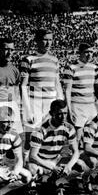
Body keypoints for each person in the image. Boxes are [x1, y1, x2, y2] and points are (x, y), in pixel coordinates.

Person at [20, 29, 64, 163]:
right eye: (45, 39)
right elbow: (23, 86)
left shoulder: (55, 60)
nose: (48, 43)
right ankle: (27, 169)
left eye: (50, 39)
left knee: (50, 136)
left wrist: (62, 104)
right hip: (35, 102)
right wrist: (27, 110)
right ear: (37, 41)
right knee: (30, 138)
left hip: (51, 103)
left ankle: (46, 168)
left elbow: (57, 84)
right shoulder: (28, 60)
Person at [28, 99, 80, 195]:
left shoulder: (69, 128)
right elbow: (33, 156)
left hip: (55, 160)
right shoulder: (41, 130)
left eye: (65, 113)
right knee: (32, 168)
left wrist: (69, 166)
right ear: (52, 113)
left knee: (80, 165)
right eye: (60, 114)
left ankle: (56, 181)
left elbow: (76, 152)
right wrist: (53, 168)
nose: (63, 117)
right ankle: (33, 186)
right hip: (41, 162)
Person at [64, 43, 98, 146]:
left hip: (91, 107)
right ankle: (75, 160)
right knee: (78, 138)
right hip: (77, 106)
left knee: (90, 137)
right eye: (86, 52)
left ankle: (87, 161)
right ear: (80, 53)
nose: (89, 55)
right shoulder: (71, 68)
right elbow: (67, 90)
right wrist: (69, 110)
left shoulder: (94, 68)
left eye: (91, 52)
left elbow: (96, 88)